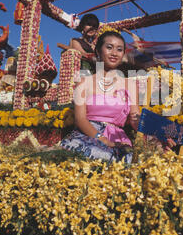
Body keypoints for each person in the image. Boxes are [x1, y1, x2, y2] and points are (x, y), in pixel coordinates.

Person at [60, 29, 140, 164]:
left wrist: (156, 134)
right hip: (88, 135)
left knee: (125, 159)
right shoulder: (84, 81)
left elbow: (135, 119)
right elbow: (80, 119)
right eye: (109, 47)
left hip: (118, 140)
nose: (114, 53)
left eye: (119, 50)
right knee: (87, 152)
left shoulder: (130, 84)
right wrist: (103, 140)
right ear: (98, 51)